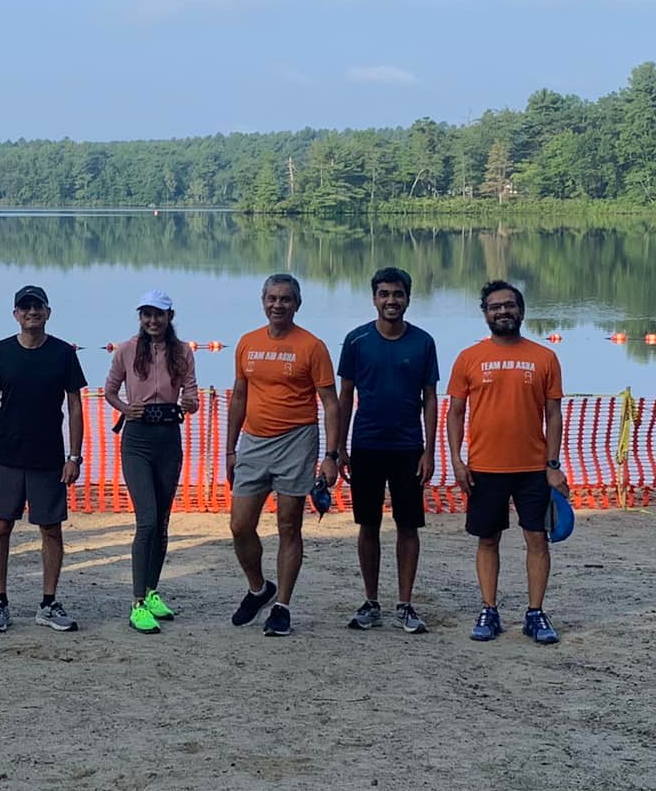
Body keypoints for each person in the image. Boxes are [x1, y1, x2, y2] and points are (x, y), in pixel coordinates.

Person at [447, 279, 567, 646]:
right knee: (487, 540)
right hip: (484, 467)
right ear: (485, 314)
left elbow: (554, 414)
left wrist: (552, 464)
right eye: (495, 306)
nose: (503, 311)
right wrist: (456, 460)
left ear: (521, 310)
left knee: (537, 539)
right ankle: (489, 610)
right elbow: (455, 412)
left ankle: (535, 613)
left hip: (532, 468)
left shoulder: (544, 357)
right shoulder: (469, 357)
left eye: (509, 305)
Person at [225, 273, 341, 637]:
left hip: (297, 440)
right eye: (272, 298)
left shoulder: (312, 346)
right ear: (263, 301)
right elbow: (239, 396)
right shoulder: (247, 343)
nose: (278, 305)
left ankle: (282, 606)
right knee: (240, 525)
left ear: (297, 304)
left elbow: (330, 403)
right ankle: (259, 589)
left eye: (286, 299)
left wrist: (332, 455)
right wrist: (230, 448)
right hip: (254, 442)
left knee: (289, 524)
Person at [332, 267, 440, 634]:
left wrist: (430, 450)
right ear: (374, 298)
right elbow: (345, 397)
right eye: (384, 294)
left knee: (408, 526)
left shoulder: (423, 342)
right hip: (366, 445)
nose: (391, 300)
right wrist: (338, 447)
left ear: (408, 298)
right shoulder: (356, 340)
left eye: (397, 294)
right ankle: (371, 601)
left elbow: (430, 397)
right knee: (368, 525)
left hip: (409, 448)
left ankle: (405, 604)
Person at [0, 284, 85, 632]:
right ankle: (0, 603)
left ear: (48, 313)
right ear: (16, 315)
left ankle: (48, 603)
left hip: (49, 457)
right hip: (7, 455)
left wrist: (74, 456)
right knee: (0, 527)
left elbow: (76, 406)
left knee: (50, 529)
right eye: (25, 308)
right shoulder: (0, 352)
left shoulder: (64, 353)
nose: (32, 312)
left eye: (38, 307)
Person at [103, 291, 200, 632]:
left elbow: (192, 393)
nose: (152, 322)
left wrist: (190, 402)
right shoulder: (127, 350)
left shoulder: (183, 351)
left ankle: (152, 591)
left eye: (159, 315)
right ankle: (137, 603)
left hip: (168, 438)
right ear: (140, 317)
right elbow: (110, 390)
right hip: (138, 439)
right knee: (145, 521)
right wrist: (124, 408)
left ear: (170, 317)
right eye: (146, 315)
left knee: (161, 522)